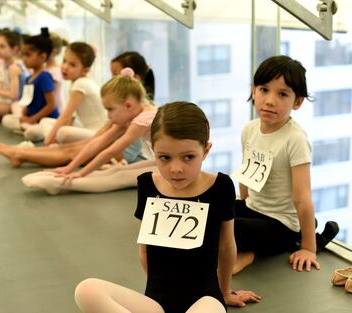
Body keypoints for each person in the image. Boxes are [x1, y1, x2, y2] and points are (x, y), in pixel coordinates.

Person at [74, 101, 260, 313]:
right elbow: (145, 248)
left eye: (188, 157)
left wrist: (225, 292)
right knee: (87, 290)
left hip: (205, 300)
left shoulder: (220, 186)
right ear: (154, 151)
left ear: (206, 150)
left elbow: (227, 246)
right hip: (157, 302)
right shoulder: (147, 184)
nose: (176, 169)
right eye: (165, 158)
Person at [232, 55, 339, 274]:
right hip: (255, 210)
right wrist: (241, 207)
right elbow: (246, 174)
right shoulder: (249, 130)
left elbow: (302, 196)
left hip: (281, 222)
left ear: (297, 102)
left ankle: (260, 249)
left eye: (282, 94)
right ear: (254, 91)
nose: (270, 100)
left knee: (223, 228)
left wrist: (309, 248)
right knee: (209, 210)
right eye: (264, 90)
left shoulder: (295, 139)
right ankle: (255, 244)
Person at [0, 68, 154, 172]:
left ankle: (19, 154)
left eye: (71, 64)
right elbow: (101, 137)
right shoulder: (127, 111)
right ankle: (20, 152)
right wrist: (70, 168)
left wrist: (78, 172)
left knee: (71, 150)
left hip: (130, 154)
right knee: (72, 147)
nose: (64, 67)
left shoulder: (139, 117)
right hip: (123, 147)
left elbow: (109, 149)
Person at [24, 42, 106, 144]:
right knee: (45, 121)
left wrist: (49, 140)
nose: (65, 67)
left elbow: (65, 117)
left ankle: (53, 144)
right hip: (89, 129)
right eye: (64, 61)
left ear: (85, 70)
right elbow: (70, 118)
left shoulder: (80, 84)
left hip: (98, 133)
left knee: (63, 132)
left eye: (72, 65)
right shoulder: (77, 82)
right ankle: (51, 140)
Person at [1, 28, 59, 133]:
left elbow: (51, 106)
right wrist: (23, 115)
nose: (24, 58)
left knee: (32, 133)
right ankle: (27, 127)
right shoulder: (29, 78)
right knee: (6, 120)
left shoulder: (45, 77)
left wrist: (33, 119)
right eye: (23, 55)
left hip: (45, 120)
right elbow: (28, 101)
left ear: (42, 56)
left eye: (28, 55)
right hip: (32, 119)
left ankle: (31, 129)